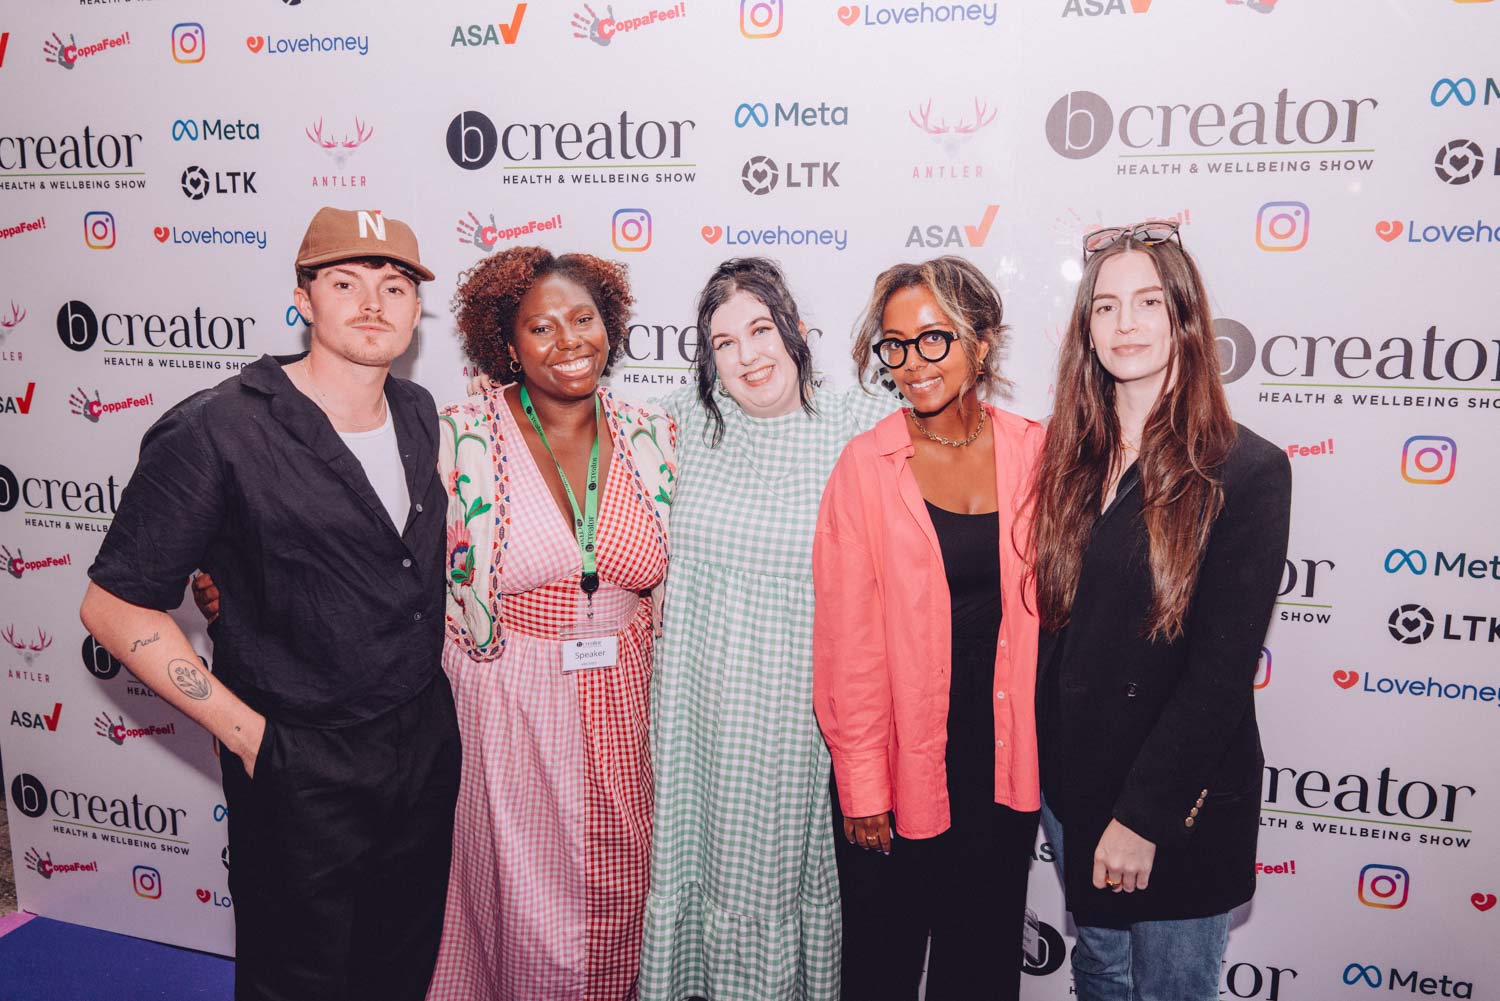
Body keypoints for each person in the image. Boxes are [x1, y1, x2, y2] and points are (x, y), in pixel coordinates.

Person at [81, 207, 461, 1001]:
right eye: (345, 282)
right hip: (299, 759)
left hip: (421, 739)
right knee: (296, 980)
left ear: (413, 309)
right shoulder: (217, 428)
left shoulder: (420, 415)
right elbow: (115, 609)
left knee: (399, 964)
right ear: (303, 299)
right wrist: (252, 738)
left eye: (394, 286)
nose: (372, 303)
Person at [1029, 222, 1291, 1001]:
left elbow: (1220, 672)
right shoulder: (1066, 458)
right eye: (1105, 307)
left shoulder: (1246, 470)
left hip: (1178, 804)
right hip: (1073, 788)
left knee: (1170, 990)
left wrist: (1143, 818)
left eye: (1149, 302)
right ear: (1086, 330)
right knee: (1101, 972)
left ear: (1184, 319)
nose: (1126, 324)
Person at [637, 258, 894, 1001]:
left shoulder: (855, 424)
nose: (747, 355)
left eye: (759, 329)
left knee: (773, 883)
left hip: (792, 722)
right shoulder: (680, 423)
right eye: (724, 342)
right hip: (691, 709)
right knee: (687, 865)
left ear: (794, 331)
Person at [427, 246, 676, 1001]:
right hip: (508, 704)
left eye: (583, 318)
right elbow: (366, 542)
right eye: (541, 327)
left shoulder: (652, 434)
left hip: (628, 701)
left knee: (622, 886)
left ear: (611, 325)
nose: (569, 341)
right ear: (506, 343)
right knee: (524, 903)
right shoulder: (456, 436)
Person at [811, 257, 1044, 1001]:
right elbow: (846, 645)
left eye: (934, 339)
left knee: (978, 972)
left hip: (1002, 765)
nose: (913, 363)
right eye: (896, 344)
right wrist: (862, 785)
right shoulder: (865, 467)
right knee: (880, 969)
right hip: (898, 764)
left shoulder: (1038, 453)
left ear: (983, 342)